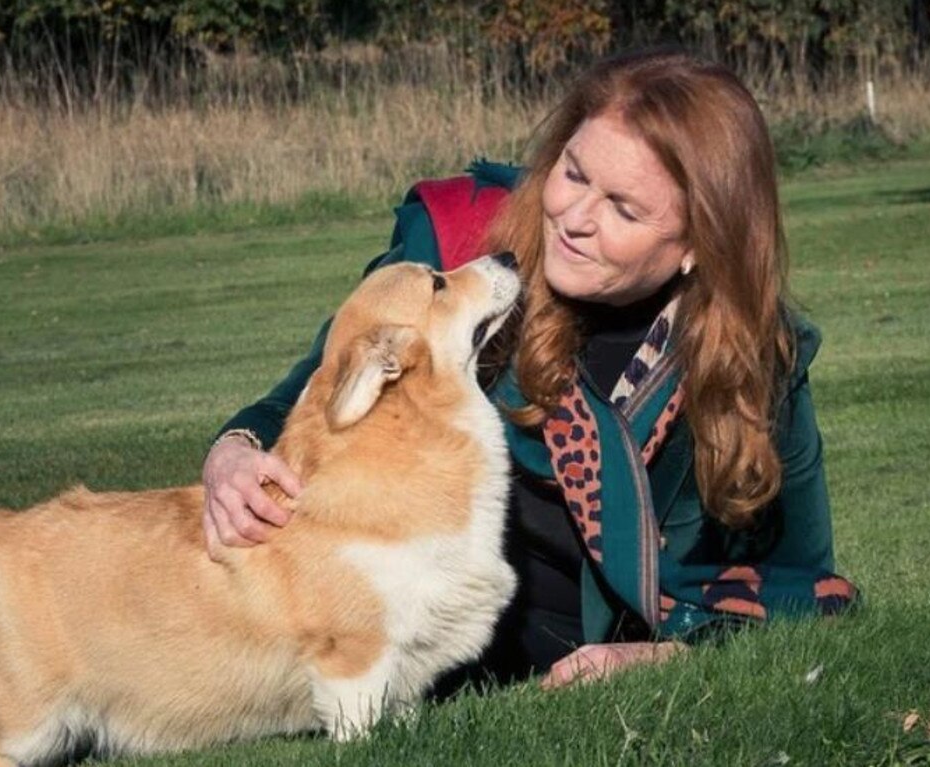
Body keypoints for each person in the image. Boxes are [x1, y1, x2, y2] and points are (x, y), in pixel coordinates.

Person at [201, 48, 858, 691]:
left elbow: (808, 588)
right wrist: (236, 449)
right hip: (416, 653)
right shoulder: (460, 255)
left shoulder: (757, 354)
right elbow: (317, 384)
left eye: (624, 209)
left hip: (597, 660)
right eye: (572, 173)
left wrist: (666, 658)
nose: (573, 219)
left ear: (697, 244)